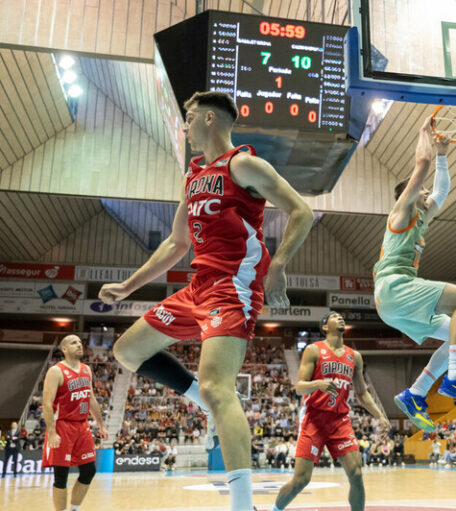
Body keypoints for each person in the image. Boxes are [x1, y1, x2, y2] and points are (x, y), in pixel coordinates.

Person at [99, 91, 314, 511]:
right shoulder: (193, 176)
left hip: (233, 286)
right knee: (127, 350)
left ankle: (242, 506)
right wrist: (128, 285)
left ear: (211, 119)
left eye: (189, 116)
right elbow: (177, 243)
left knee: (220, 386)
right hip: (198, 287)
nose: (184, 125)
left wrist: (279, 264)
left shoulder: (245, 164)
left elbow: (301, 211)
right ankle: (199, 397)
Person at [374, 119, 456, 432]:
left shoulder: (421, 218)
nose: (429, 197)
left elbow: (441, 190)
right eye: (423, 192)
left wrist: (443, 155)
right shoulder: (402, 211)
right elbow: (421, 163)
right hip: (395, 288)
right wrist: (422, 134)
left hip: (392, 304)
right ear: (410, 194)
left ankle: (415, 394)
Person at [272, 312, 389, 511]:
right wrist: (319, 384)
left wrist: (380, 416)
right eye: (334, 316)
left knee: (357, 473)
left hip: (339, 420)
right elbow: (299, 387)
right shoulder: (313, 350)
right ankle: (274, 509)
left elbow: (362, 393)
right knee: (301, 480)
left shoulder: (355, 356)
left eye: (341, 316)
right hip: (314, 418)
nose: (340, 318)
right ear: (325, 327)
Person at [41, 335, 107, 511]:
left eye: (79, 342)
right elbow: (46, 403)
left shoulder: (86, 369)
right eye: (73, 343)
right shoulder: (56, 371)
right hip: (62, 425)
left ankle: (73, 509)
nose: (79, 345)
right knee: (61, 476)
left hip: (82, 425)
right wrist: (52, 431)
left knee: (89, 471)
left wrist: (101, 424)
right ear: (64, 349)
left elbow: (91, 398)